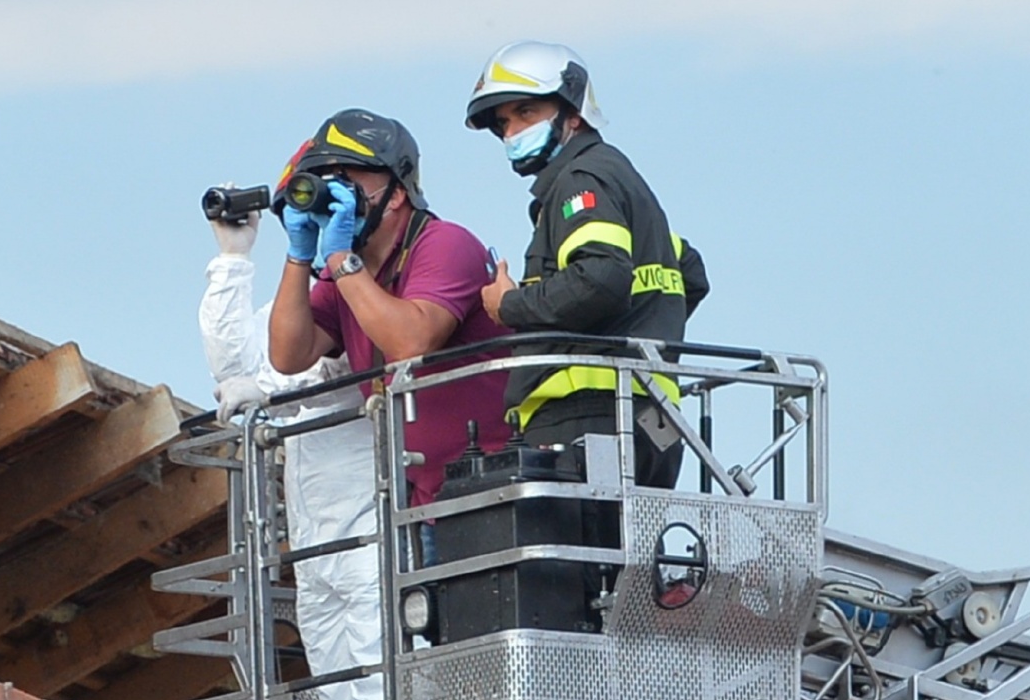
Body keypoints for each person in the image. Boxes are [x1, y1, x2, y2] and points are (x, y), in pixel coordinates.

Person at [199, 183, 386, 700]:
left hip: (368, 530)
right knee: (338, 684)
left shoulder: (360, 297)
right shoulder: (301, 301)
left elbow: (297, 368)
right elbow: (234, 362)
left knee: (376, 679)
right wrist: (233, 258)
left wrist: (263, 393)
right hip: (315, 543)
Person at [467, 41, 710, 488]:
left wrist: (511, 305)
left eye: (526, 113)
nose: (511, 132)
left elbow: (600, 277)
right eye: (503, 123)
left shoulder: (580, 180)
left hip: (587, 420)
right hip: (649, 423)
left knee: (564, 558)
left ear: (572, 114)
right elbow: (688, 273)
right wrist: (639, 333)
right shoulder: (622, 184)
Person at [267, 108, 509, 523]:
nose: (334, 192)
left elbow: (409, 342)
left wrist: (340, 259)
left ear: (396, 194)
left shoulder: (444, 243)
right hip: (431, 499)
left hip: (498, 483)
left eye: (350, 180)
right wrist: (298, 255)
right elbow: (289, 356)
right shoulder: (349, 273)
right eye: (327, 179)